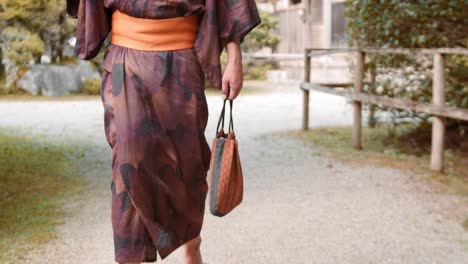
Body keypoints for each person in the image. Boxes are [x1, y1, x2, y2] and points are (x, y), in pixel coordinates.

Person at [66, 0, 261, 263]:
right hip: (126, 62)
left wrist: (234, 58)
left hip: (181, 64)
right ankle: (130, 256)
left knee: (186, 163)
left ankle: (191, 240)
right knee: (128, 163)